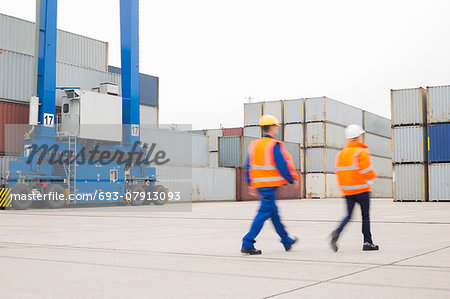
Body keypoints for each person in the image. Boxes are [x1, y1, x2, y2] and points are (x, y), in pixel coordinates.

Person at [241, 114, 299, 255]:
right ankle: (247, 242)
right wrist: (291, 179)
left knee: (274, 215)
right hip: (269, 187)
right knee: (263, 214)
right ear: (272, 127)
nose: (277, 129)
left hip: (261, 186)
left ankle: (286, 240)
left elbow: (248, 165)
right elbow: (281, 164)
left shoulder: (254, 145)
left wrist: (250, 184)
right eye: (276, 126)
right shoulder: (273, 145)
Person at [330, 124, 379, 252]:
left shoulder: (341, 154)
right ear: (358, 137)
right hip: (362, 190)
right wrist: (374, 174)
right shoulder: (361, 152)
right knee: (365, 216)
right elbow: (367, 172)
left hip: (347, 191)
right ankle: (367, 242)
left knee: (348, 216)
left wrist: (344, 189)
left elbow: (339, 174)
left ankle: (336, 233)